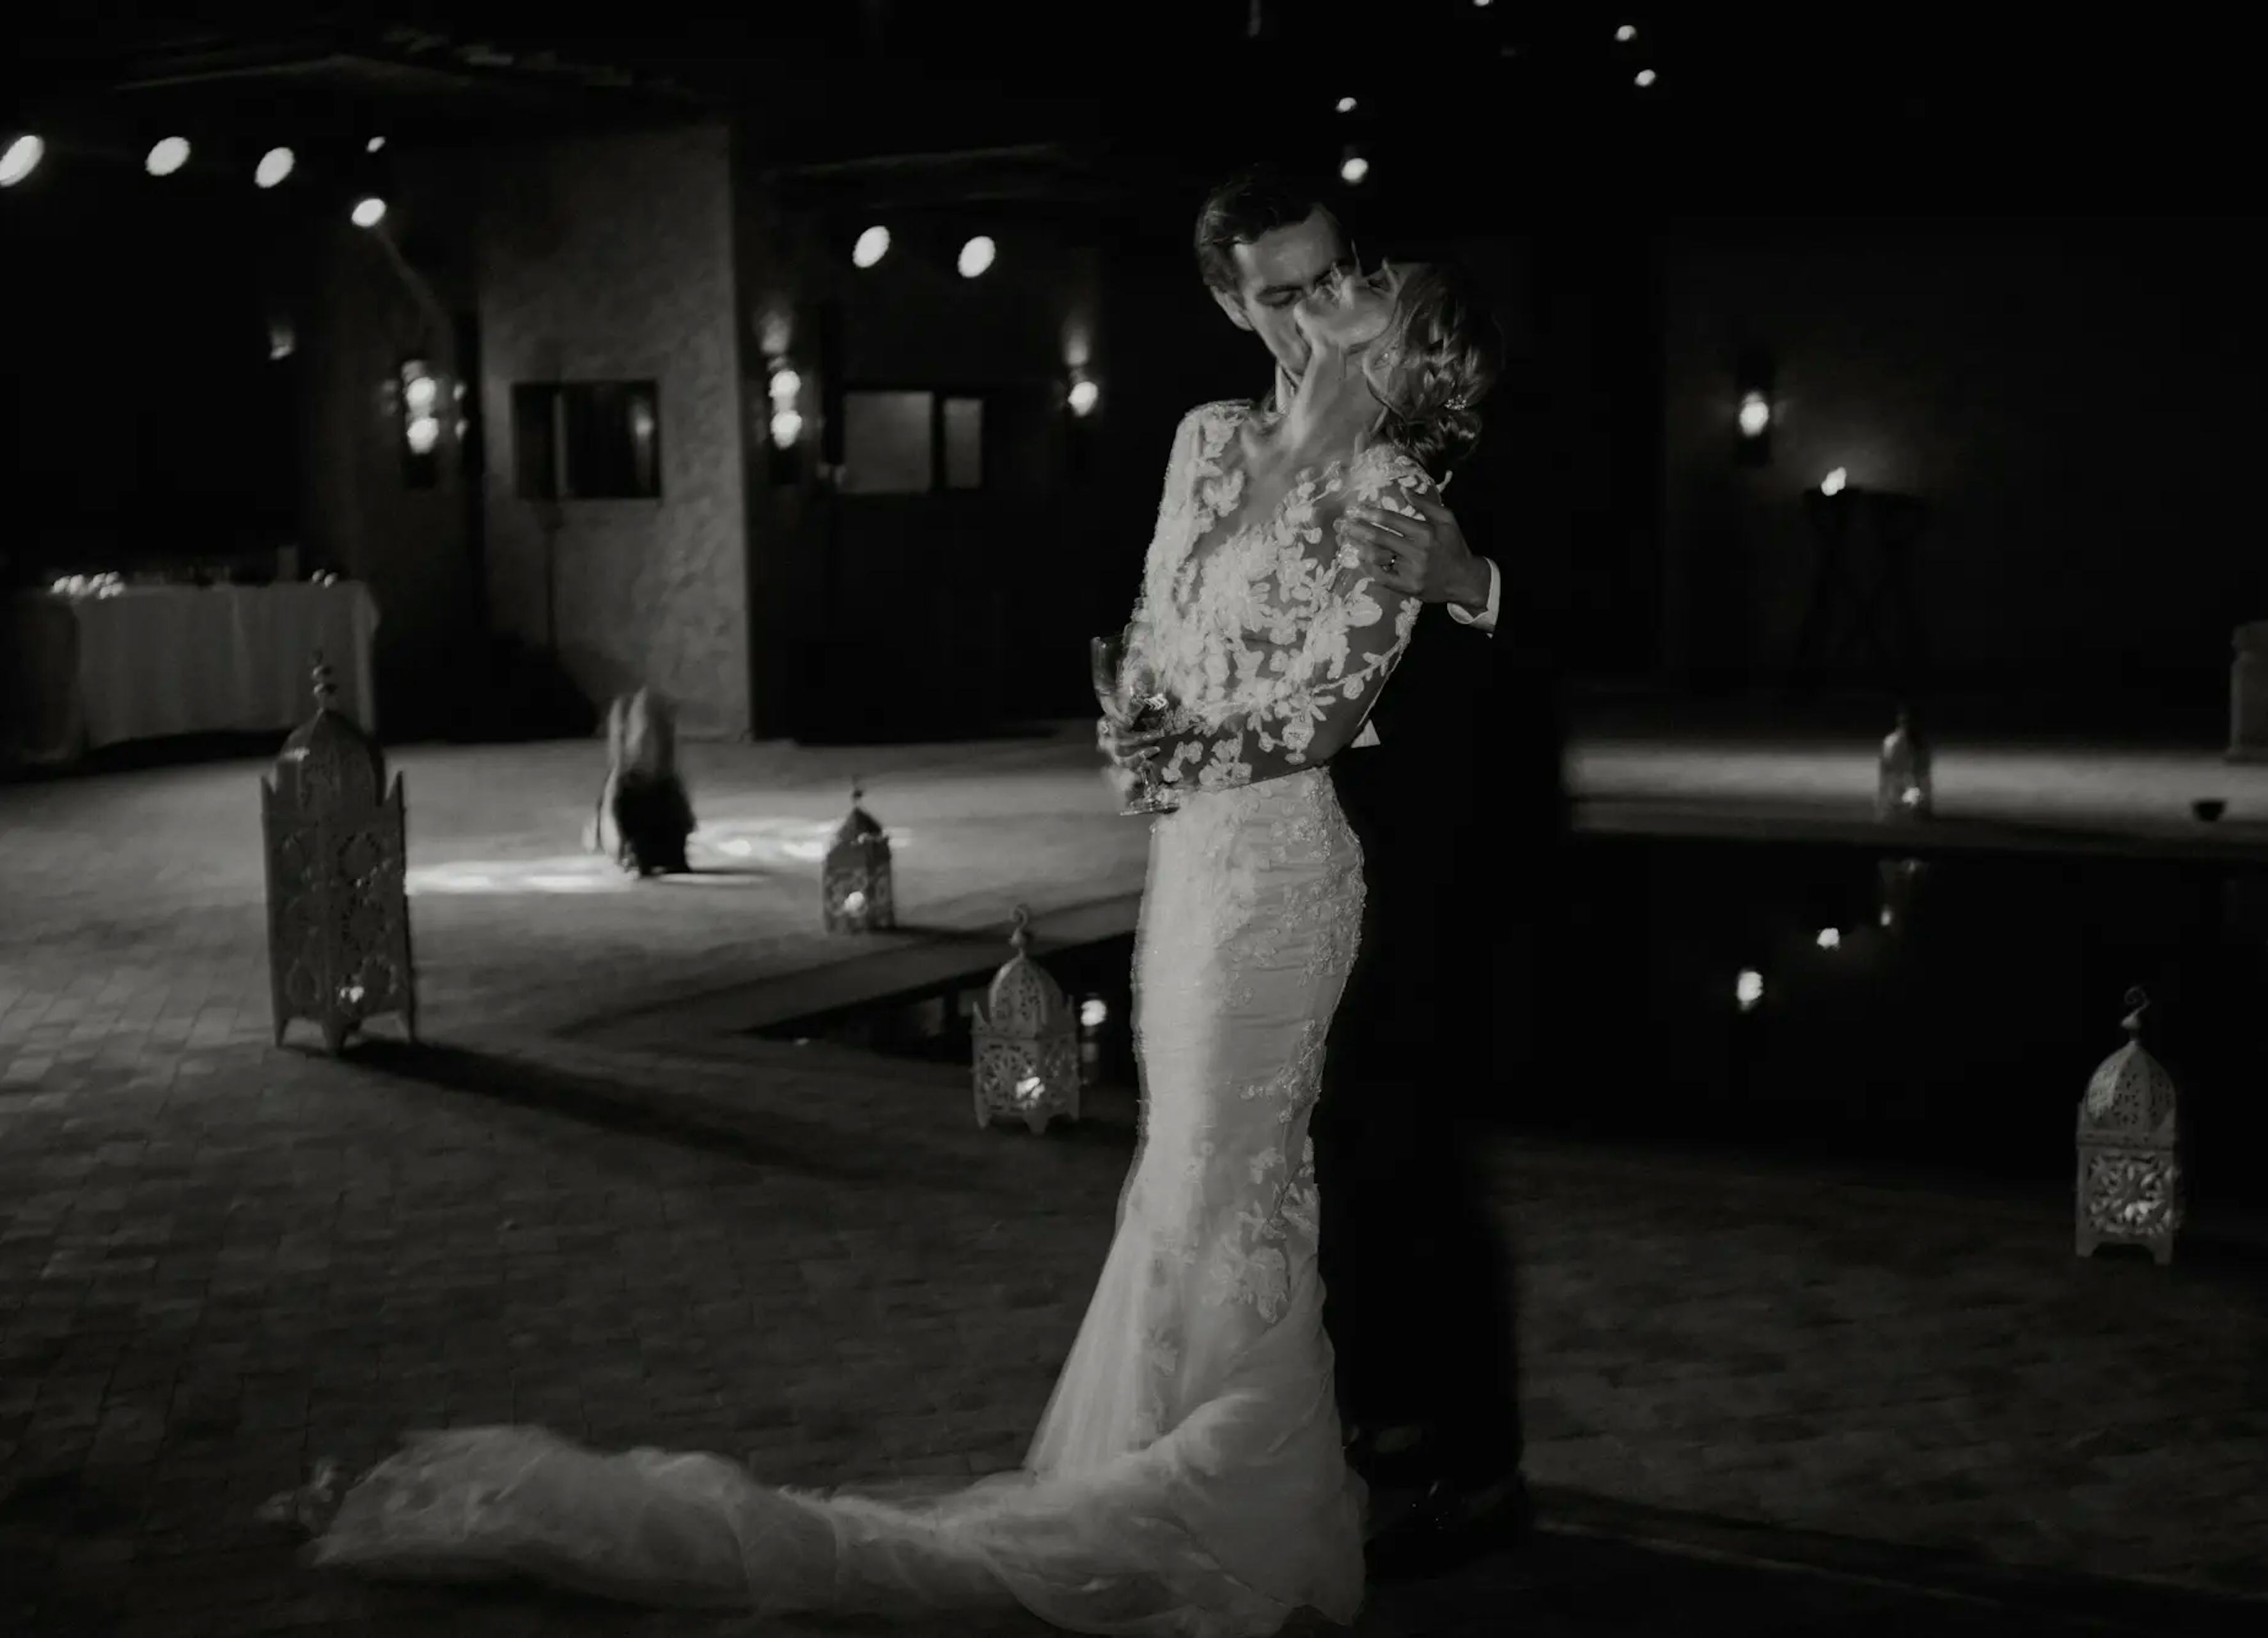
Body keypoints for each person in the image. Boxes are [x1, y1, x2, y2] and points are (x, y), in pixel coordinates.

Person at [285, 243, 1508, 1638]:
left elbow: (1327, 717)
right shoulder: (1237, 450)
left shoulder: (1394, 495)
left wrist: (1190, 744)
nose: (1335, 285)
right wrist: (1140, 716)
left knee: (1243, 1173)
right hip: (1191, 864)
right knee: (1179, 1166)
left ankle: (1227, 1486)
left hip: (1284, 870)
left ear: (1397, 350)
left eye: (1367, 288)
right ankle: (1156, 1447)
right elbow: (1177, 633)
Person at [1188, 167, 1540, 1581]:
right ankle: (1382, 1418)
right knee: (1322, 1159)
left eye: (1330, 280)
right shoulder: (1242, 445)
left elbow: (1576, 626)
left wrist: (1478, 582)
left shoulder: (1452, 414)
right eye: (1280, 295)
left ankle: (1482, 1456)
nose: (1316, 313)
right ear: (1233, 305)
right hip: (1287, 856)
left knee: (1421, 1153)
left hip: (1435, 854)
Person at [587, 688, 696, 877]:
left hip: (653, 792)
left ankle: (651, 853)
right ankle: (638, 853)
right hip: (635, 808)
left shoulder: (664, 779)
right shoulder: (625, 782)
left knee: (655, 779)